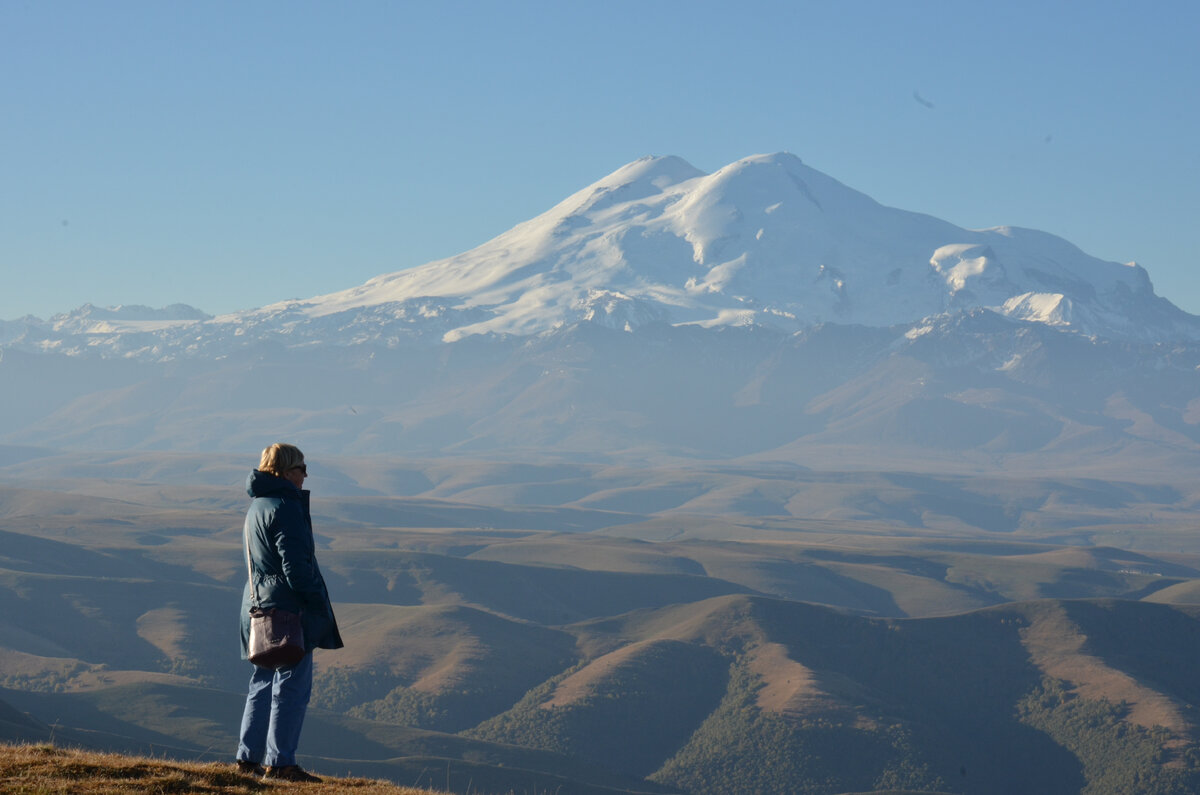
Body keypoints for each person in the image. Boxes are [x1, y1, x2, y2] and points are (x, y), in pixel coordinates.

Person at [234, 443, 343, 782]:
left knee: (262, 681)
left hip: (257, 607)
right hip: (287, 610)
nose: (305, 474)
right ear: (284, 471)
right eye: (300, 467)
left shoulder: (257, 506)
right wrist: (314, 602)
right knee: (292, 686)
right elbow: (295, 566)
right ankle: (281, 764)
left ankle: (247, 759)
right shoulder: (286, 507)